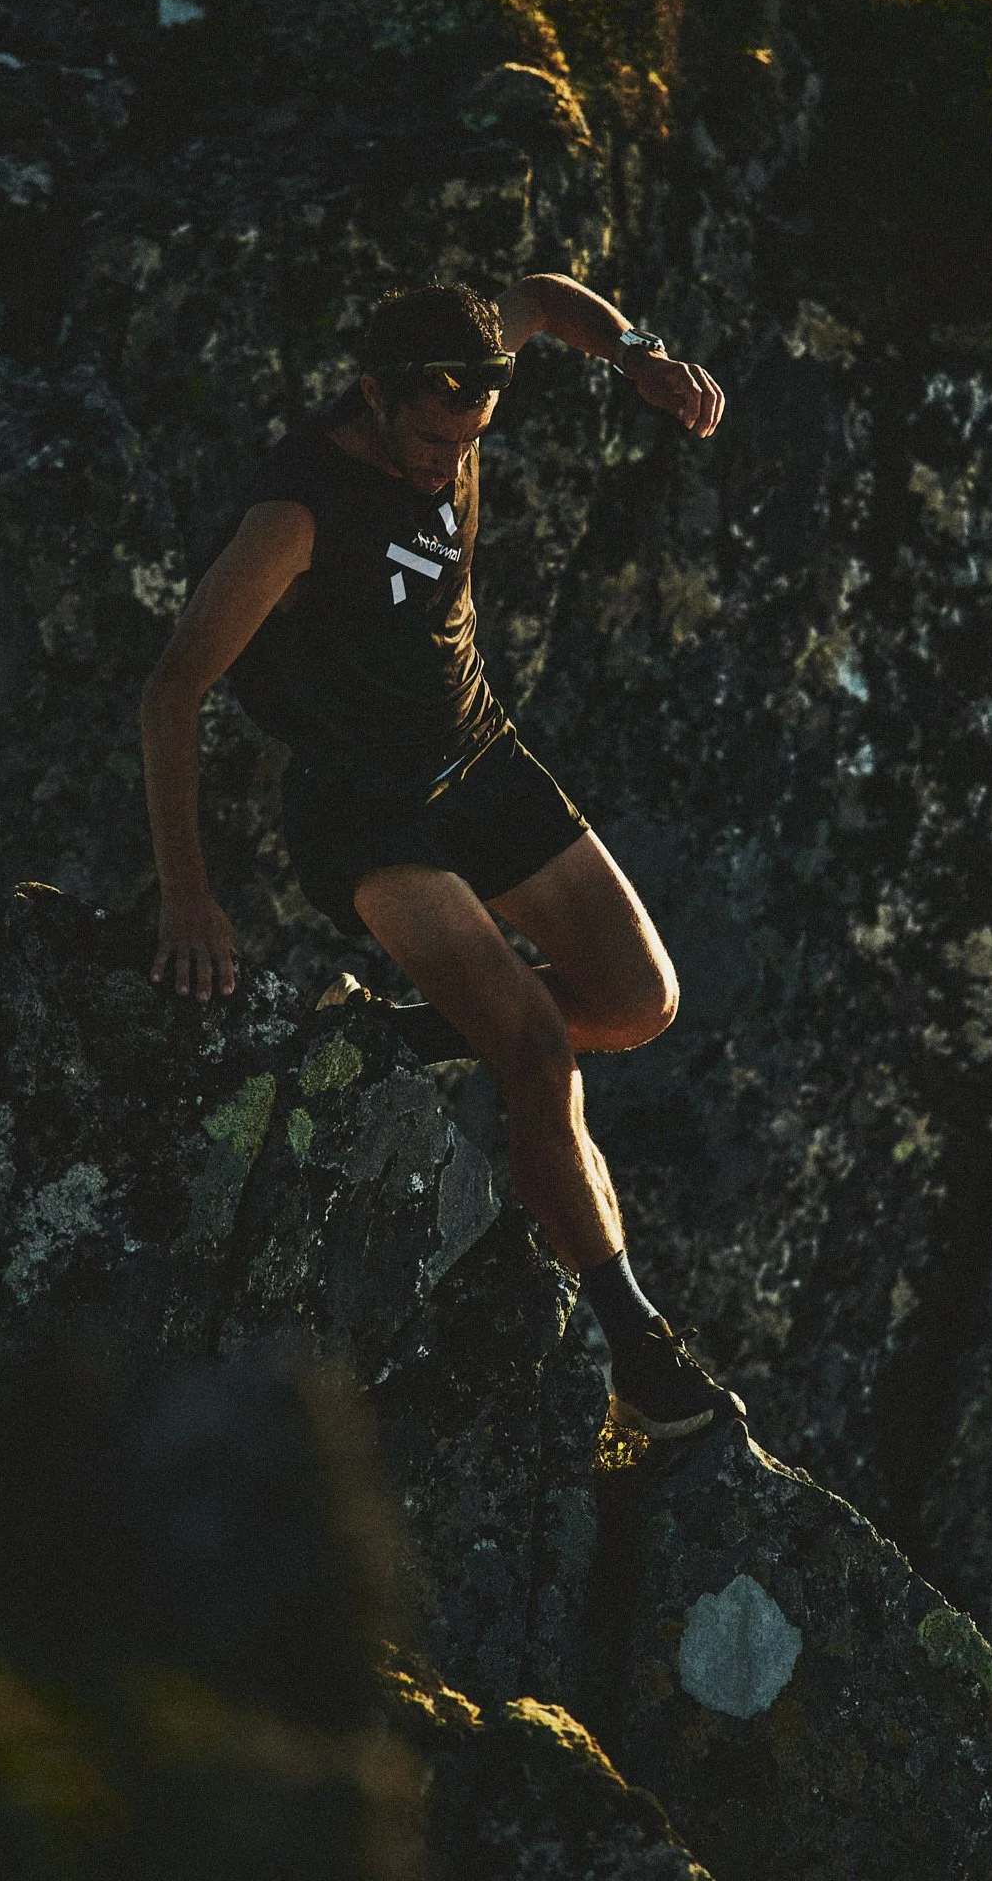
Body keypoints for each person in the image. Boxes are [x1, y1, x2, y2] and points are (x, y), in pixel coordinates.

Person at [141, 274, 744, 1440]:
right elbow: (171, 690)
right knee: (533, 1048)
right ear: (374, 395)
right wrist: (187, 896)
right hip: (369, 817)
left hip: (480, 760)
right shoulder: (295, 513)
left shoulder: (461, 368)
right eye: (429, 442)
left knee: (639, 1000)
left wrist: (637, 353)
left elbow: (536, 297)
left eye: (468, 441)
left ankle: (407, 1033)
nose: (446, 464)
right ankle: (637, 1352)